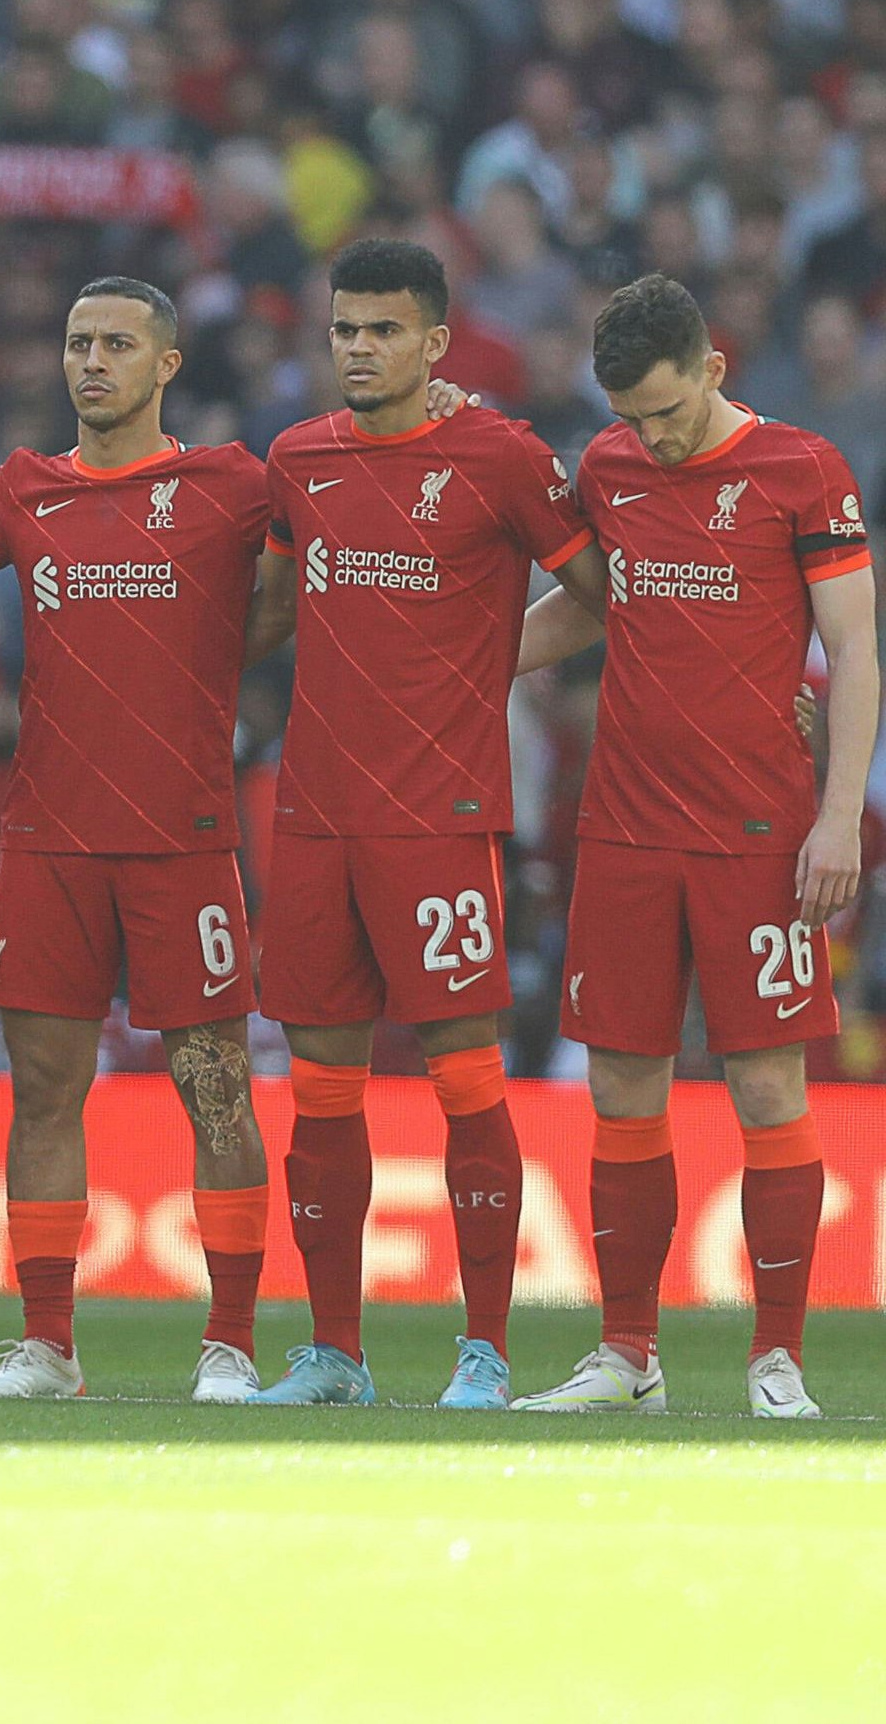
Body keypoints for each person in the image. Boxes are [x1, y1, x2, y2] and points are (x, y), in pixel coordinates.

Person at [242, 238, 605, 1410]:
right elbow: (260, 603)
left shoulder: (497, 453)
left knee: (464, 1080)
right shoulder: (297, 457)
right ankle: (333, 1351)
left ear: (436, 341)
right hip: (314, 817)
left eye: (384, 329)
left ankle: (484, 1350)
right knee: (320, 1085)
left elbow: (604, 589)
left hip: (437, 820)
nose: (359, 348)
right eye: (345, 328)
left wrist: (490, 657)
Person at [507, 276, 872, 1420]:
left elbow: (855, 651)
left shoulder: (801, 470)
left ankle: (775, 1359)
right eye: (629, 415)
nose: (649, 436)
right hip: (623, 825)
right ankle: (627, 1353)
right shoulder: (610, 467)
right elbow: (592, 605)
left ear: (713, 369)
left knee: (767, 1087)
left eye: (665, 411)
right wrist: (464, 664)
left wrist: (834, 814)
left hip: (760, 830)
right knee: (622, 1085)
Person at [0, 278, 280, 1403]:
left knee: (215, 1087)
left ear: (165, 365)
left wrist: (235, 650)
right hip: (50, 837)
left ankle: (226, 1341)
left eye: (118, 343)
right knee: (41, 1090)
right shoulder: (23, 489)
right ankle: (46, 1344)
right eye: (77, 341)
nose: (91, 361)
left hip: (182, 837)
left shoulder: (226, 484)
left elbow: (343, 547)